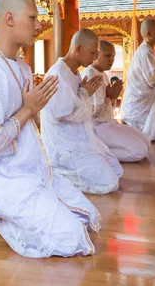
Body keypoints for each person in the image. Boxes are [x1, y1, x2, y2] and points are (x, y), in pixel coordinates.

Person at [0, 0, 101, 258]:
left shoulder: (22, 67)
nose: (39, 25)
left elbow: (31, 123)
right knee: (71, 239)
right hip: (3, 176)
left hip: (31, 167)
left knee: (87, 219)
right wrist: (28, 108)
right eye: (33, 17)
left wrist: (33, 109)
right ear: (10, 19)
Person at [41, 29, 122, 194]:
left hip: (80, 139)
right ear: (78, 49)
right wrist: (85, 93)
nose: (94, 58)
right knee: (110, 184)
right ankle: (59, 176)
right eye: (92, 53)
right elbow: (63, 113)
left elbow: (81, 108)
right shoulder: (58, 73)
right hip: (64, 147)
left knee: (117, 170)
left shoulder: (74, 72)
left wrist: (86, 93)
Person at [81, 40, 151, 163]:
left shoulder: (103, 75)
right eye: (107, 55)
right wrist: (111, 98)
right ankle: (95, 152)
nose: (112, 59)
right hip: (97, 127)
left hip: (109, 123)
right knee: (140, 151)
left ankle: (101, 148)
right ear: (96, 55)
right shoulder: (90, 74)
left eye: (113, 56)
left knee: (147, 142)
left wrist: (112, 98)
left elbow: (107, 105)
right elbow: (92, 112)